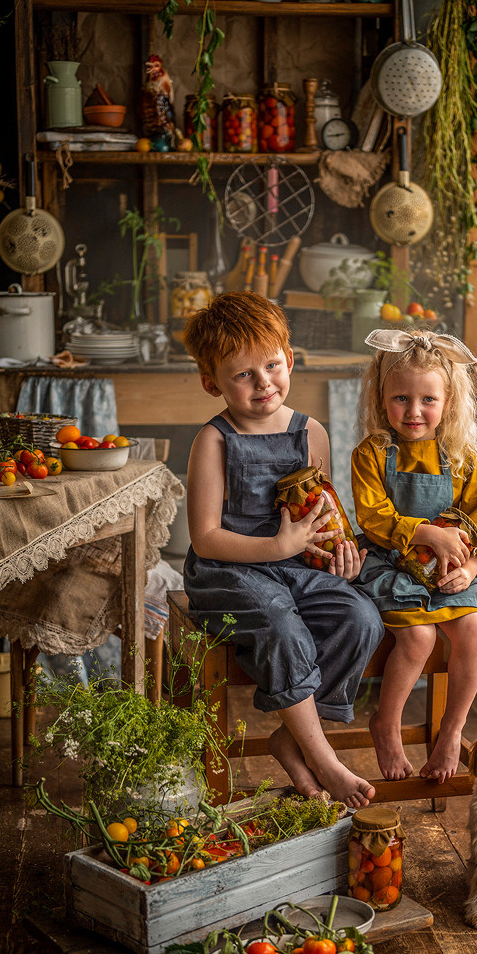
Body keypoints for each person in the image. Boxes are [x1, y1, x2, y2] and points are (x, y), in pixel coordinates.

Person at [183, 292, 384, 809]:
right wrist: (277, 544)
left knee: (360, 616)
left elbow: (325, 515)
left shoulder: (310, 432)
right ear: (212, 384)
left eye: (272, 365)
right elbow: (204, 536)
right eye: (242, 375)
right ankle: (325, 760)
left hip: (294, 568)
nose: (263, 383)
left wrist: (340, 556)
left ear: (290, 360)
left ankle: (290, 741)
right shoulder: (214, 442)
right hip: (227, 574)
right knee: (279, 620)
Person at [351, 327, 477, 785]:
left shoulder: (461, 458)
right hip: (393, 567)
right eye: (401, 399)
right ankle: (385, 724)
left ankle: (452, 732)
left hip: (451, 575)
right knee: (420, 639)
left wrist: (470, 567)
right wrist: (428, 533)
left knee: (472, 630)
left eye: (428, 400)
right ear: (381, 397)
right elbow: (374, 517)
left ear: (448, 401)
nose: (414, 411)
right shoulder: (372, 453)